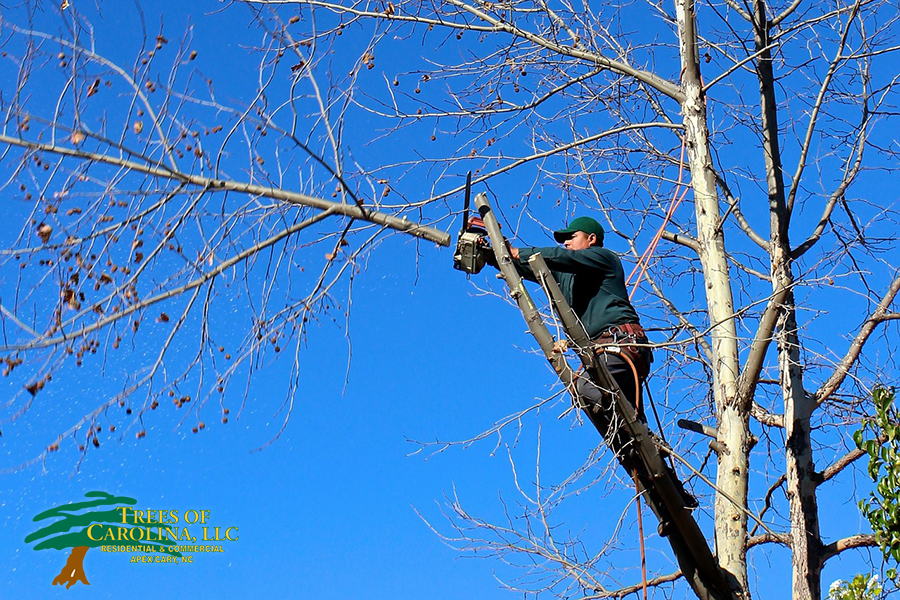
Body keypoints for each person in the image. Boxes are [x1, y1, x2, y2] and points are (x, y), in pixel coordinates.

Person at [501, 216, 652, 415]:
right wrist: (497, 254)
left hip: (622, 344)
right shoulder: (566, 276)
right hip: (603, 352)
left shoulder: (603, 258)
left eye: (572, 237)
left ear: (591, 239)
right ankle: (642, 442)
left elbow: (563, 257)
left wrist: (517, 252)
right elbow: (529, 267)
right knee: (626, 430)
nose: (566, 243)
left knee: (586, 389)